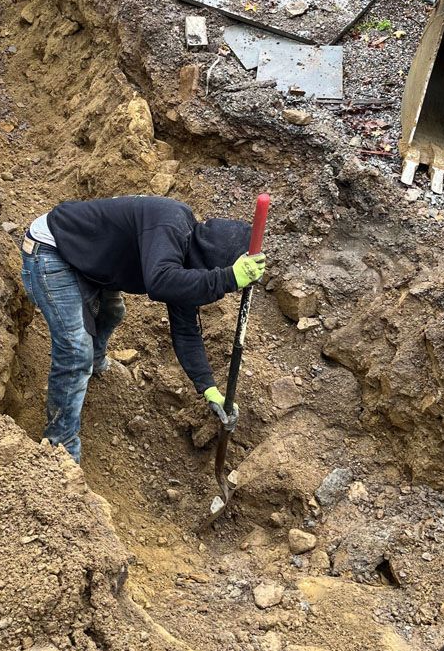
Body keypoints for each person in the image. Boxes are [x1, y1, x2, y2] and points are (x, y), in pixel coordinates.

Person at [20, 196, 266, 463]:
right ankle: (60, 448)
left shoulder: (186, 261)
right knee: (75, 352)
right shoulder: (170, 223)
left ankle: (95, 363)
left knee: (112, 312)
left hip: (89, 258)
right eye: (215, 275)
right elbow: (159, 281)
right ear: (211, 263)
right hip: (51, 248)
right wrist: (229, 278)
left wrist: (208, 388)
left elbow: (185, 332)